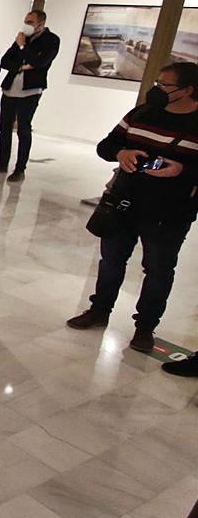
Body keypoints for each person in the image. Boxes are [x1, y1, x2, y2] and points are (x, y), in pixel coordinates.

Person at [66, 62, 198, 353]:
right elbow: (105, 146)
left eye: (165, 85)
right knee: (111, 260)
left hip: (169, 212)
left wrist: (182, 171)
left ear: (187, 90)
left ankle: (145, 327)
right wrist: (121, 152)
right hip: (125, 202)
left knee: (159, 270)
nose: (157, 89)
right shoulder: (141, 113)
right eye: (157, 82)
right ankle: (99, 310)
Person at [0, 9, 60, 182]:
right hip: (11, 88)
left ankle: (20, 168)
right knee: (5, 127)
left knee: (23, 128)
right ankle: (2, 162)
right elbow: (5, 61)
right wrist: (23, 64)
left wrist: (24, 48)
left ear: (41, 23)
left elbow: (40, 62)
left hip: (30, 90)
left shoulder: (51, 40)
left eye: (30, 22)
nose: (27, 25)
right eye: (26, 21)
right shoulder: (22, 37)